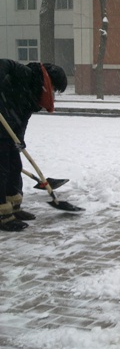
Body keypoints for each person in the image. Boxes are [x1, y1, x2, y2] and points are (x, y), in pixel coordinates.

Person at [0, 59, 67, 232]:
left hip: (8, 132)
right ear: (50, 80)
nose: (53, 92)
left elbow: (22, 119)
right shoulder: (28, 75)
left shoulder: (34, 94)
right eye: (54, 88)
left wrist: (19, 140)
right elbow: (4, 64)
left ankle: (14, 207)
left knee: (15, 166)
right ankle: (2, 214)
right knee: (2, 170)